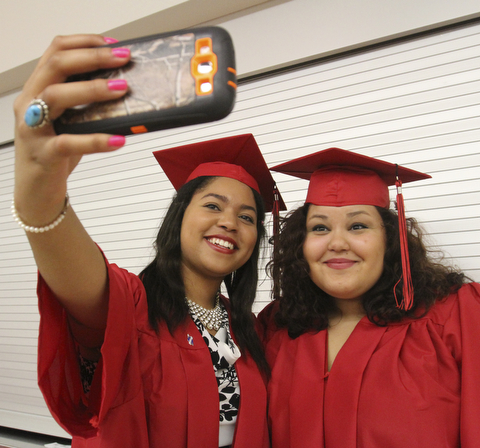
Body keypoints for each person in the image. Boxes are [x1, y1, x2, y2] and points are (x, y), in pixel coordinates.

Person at [13, 34, 285, 448]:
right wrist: (41, 197)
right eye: (212, 206)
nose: (229, 222)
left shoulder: (245, 328)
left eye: (247, 217)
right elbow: (78, 276)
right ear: (178, 221)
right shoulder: (131, 306)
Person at [258, 147, 480, 448]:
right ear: (301, 244)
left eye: (357, 225)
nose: (337, 243)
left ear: (390, 239)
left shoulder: (457, 315)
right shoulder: (277, 328)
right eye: (320, 227)